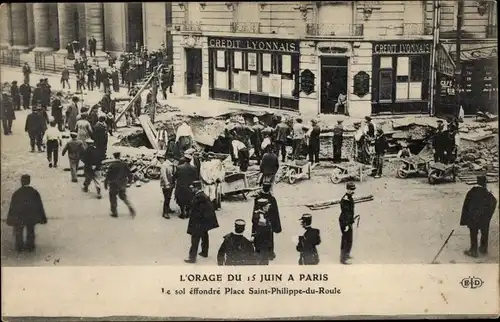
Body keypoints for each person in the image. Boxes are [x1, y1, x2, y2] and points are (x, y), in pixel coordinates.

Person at [7, 175, 47, 252]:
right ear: (29, 181)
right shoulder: (34, 192)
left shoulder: (17, 193)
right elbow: (39, 205)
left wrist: (11, 218)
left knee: (19, 230)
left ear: (21, 182)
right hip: (31, 216)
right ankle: (30, 246)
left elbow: (13, 207)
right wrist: (42, 217)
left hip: (20, 216)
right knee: (31, 230)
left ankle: (19, 246)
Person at [460, 175, 497, 258]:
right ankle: (483, 249)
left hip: (473, 217)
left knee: (473, 233)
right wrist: (488, 215)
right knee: (484, 232)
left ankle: (473, 251)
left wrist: (465, 218)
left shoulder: (472, 191)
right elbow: (494, 202)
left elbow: (466, 205)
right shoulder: (488, 193)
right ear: (485, 182)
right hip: (484, 217)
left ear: (477, 181)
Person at [184, 181, 219, 264]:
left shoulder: (198, 197)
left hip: (199, 221)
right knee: (204, 235)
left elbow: (192, 208)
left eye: (192, 187)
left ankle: (192, 258)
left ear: (196, 188)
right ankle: (204, 252)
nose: (191, 188)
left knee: (195, 238)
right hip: (205, 221)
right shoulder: (203, 195)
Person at [251, 184, 282, 264]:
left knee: (258, 237)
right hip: (269, 222)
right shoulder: (272, 199)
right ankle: (270, 253)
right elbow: (276, 213)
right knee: (269, 238)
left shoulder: (257, 198)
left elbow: (254, 212)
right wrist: (277, 226)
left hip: (257, 223)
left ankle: (258, 252)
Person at [104, 152, 136, 217]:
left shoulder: (112, 165)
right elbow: (129, 174)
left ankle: (114, 212)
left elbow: (108, 175)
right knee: (123, 197)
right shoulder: (124, 164)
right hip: (122, 184)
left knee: (113, 198)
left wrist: (105, 183)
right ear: (119, 156)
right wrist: (130, 182)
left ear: (114, 157)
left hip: (113, 184)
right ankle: (131, 208)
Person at [174, 152, 199, 219]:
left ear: (185, 159)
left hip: (180, 186)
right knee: (189, 199)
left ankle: (182, 213)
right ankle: (188, 212)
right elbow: (196, 177)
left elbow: (175, 176)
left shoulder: (179, 167)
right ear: (190, 160)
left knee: (180, 199)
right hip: (190, 187)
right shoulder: (194, 168)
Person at [339, 182, 357, 265]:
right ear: (348, 189)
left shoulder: (349, 197)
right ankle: (343, 259)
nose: (353, 191)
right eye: (351, 189)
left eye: (353, 189)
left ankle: (347, 254)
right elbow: (346, 213)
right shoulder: (345, 199)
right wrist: (346, 225)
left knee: (349, 239)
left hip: (348, 221)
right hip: (345, 222)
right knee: (346, 240)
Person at [159, 154, 175, 219]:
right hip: (166, 184)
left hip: (170, 183)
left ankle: (168, 208)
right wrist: (166, 183)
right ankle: (165, 212)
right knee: (167, 198)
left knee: (168, 197)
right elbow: (163, 175)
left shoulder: (171, 165)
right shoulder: (164, 165)